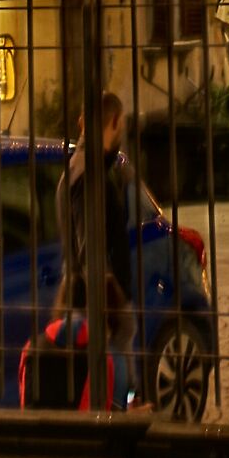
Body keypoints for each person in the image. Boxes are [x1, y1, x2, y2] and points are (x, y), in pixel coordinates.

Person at [57, 90, 136, 363]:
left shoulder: (80, 170)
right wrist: (113, 311)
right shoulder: (89, 177)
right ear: (114, 122)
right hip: (100, 313)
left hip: (96, 309)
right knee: (114, 392)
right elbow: (88, 250)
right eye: (121, 125)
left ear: (81, 123)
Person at [19, 273, 134, 411]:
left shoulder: (32, 347)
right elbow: (114, 413)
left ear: (63, 299)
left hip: (37, 432)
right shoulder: (109, 357)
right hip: (84, 431)